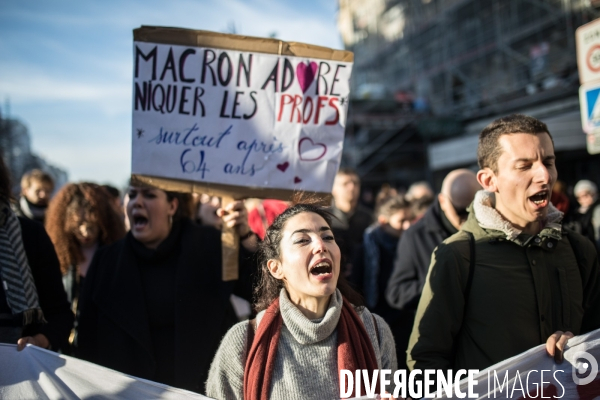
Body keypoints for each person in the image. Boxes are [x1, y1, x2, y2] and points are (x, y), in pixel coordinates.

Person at [407, 114, 600, 377]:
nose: (544, 175)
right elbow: (425, 362)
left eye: (549, 162)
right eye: (524, 166)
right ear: (489, 180)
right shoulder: (459, 255)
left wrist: (581, 344)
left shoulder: (580, 250)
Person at [77, 183, 258, 393]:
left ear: (172, 206)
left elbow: (258, 288)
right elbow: (87, 341)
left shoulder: (210, 245)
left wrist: (245, 236)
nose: (137, 202)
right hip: (126, 393)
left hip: (202, 391)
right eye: (132, 195)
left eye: (149, 195)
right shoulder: (106, 261)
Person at [206, 202, 397, 400]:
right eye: (302, 240)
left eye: (328, 237)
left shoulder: (374, 330)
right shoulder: (243, 342)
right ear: (276, 268)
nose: (321, 246)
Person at [386, 169, 480, 371]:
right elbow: (396, 294)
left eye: (472, 210)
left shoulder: (485, 226)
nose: (466, 219)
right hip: (441, 350)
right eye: (461, 212)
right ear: (443, 201)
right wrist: (438, 281)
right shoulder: (415, 236)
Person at [0, 155, 73, 351]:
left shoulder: (31, 235)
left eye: (47, 191)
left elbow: (59, 313)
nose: (43, 196)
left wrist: (39, 341)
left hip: (18, 370)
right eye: (38, 190)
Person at [44, 183, 125, 320]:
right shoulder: (58, 254)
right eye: (78, 225)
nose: (85, 232)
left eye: (91, 226)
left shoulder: (117, 255)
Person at [329, 168, 373, 276]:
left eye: (355, 183)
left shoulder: (369, 217)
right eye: (345, 184)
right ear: (333, 189)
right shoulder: (324, 218)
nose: (352, 187)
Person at [573, 179, 600, 249]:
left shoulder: (597, 209)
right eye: (579, 197)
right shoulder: (579, 212)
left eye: (585, 195)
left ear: (593, 193)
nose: (582, 199)